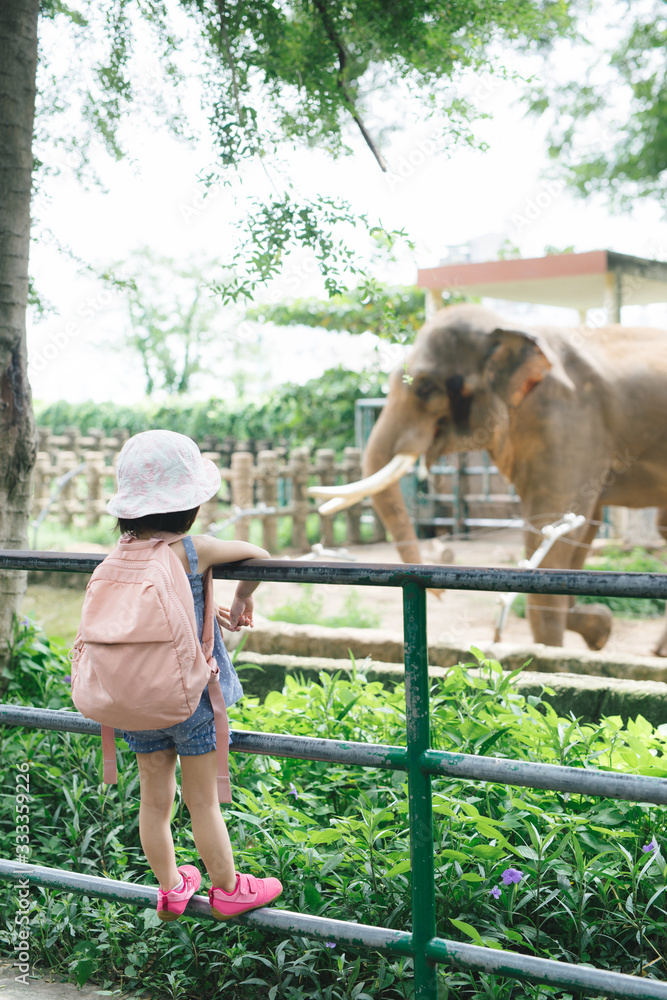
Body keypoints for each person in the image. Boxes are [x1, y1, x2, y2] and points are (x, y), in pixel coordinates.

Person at [106, 429, 282, 922]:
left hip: (133, 702)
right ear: (193, 506)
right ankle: (228, 888)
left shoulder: (118, 555)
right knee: (202, 802)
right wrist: (244, 597)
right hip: (190, 699)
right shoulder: (191, 550)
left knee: (154, 803)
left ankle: (169, 888)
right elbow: (261, 558)